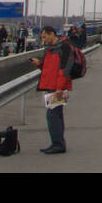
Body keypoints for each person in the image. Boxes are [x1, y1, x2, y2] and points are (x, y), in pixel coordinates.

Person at [29, 26, 72, 154]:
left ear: (52, 34)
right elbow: (47, 67)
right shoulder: (48, 49)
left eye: (45, 36)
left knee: (52, 115)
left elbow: (64, 70)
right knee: (56, 114)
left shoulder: (64, 47)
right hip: (51, 85)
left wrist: (59, 88)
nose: (43, 39)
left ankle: (58, 144)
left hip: (58, 87)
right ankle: (58, 143)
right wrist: (39, 64)